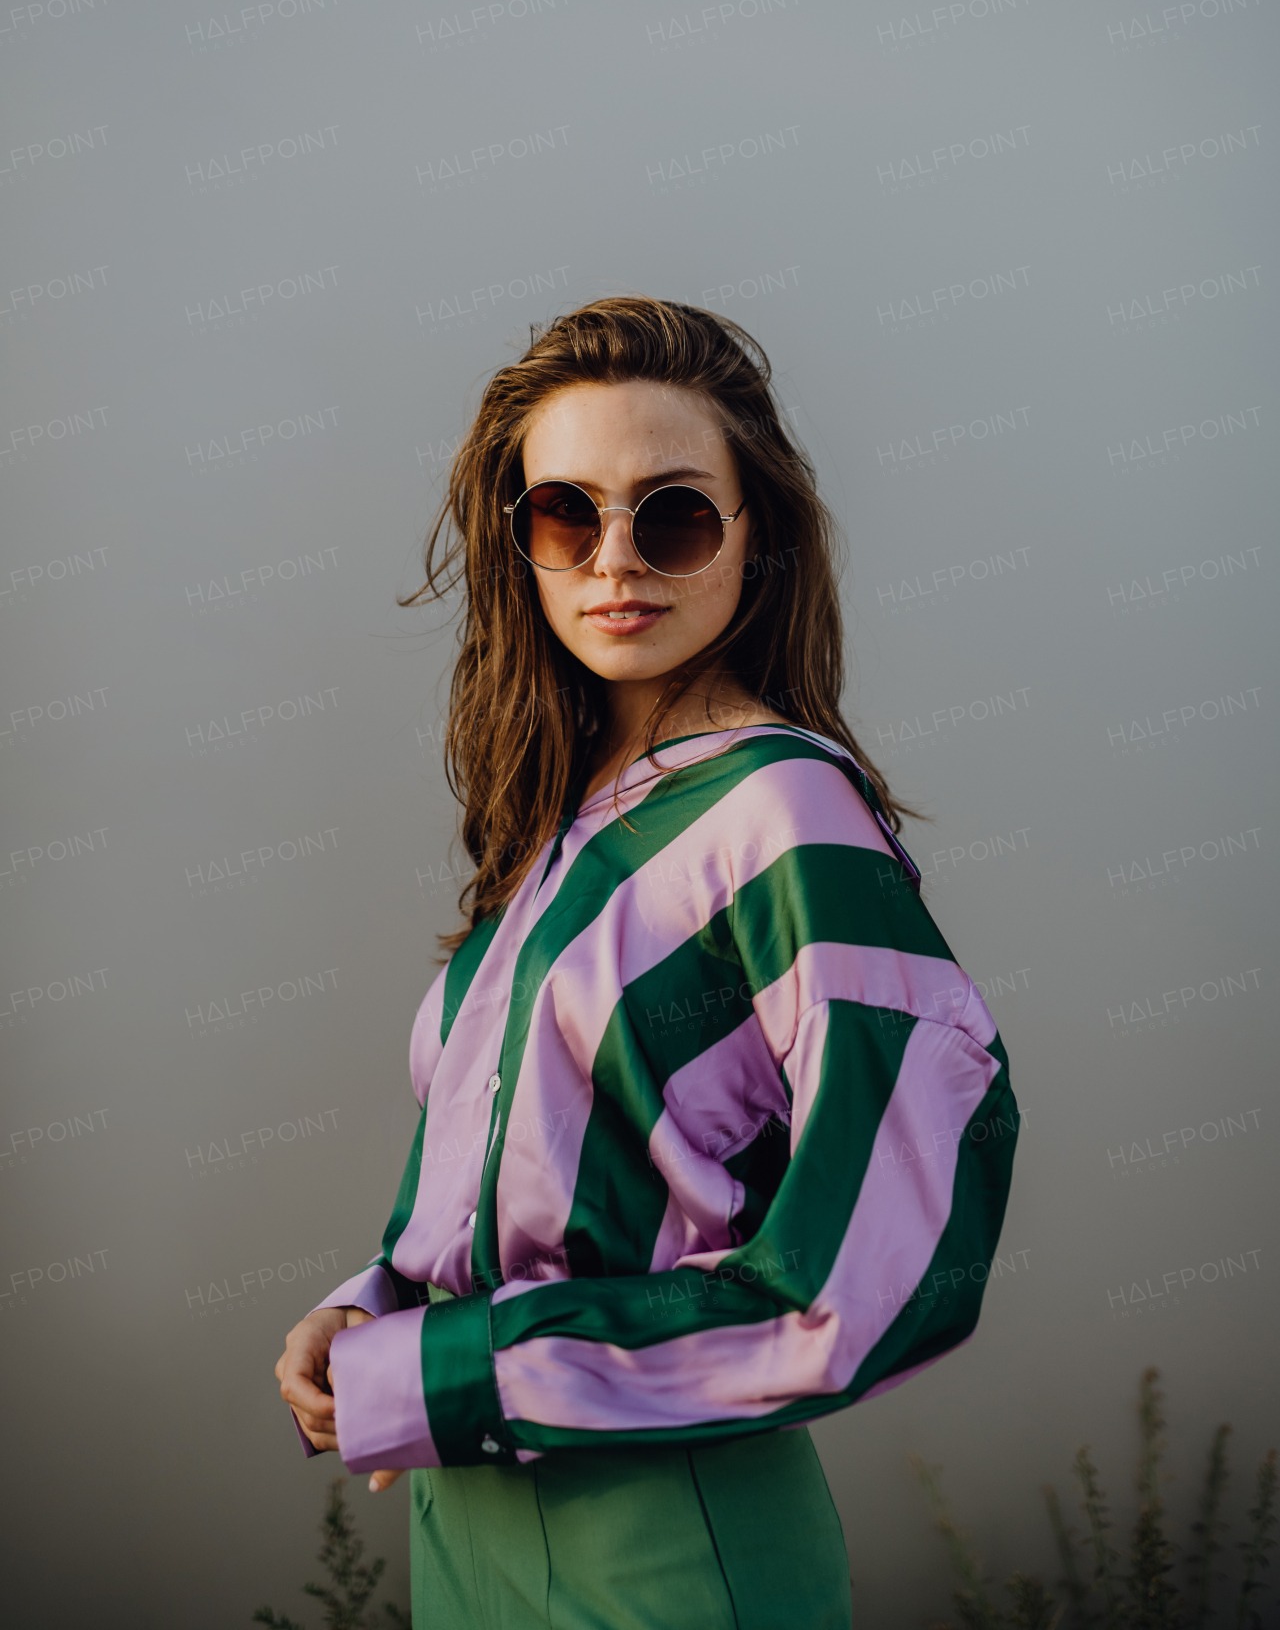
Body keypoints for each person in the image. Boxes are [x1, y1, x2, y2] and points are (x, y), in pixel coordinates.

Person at [274, 297, 1019, 1629]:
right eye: (566, 514)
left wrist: (446, 1373)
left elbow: (868, 1280)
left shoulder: (790, 819)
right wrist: (370, 1308)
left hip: (665, 1529)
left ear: (757, 540)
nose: (616, 558)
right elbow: (531, 1175)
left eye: (673, 515)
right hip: (466, 1522)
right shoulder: (561, 829)